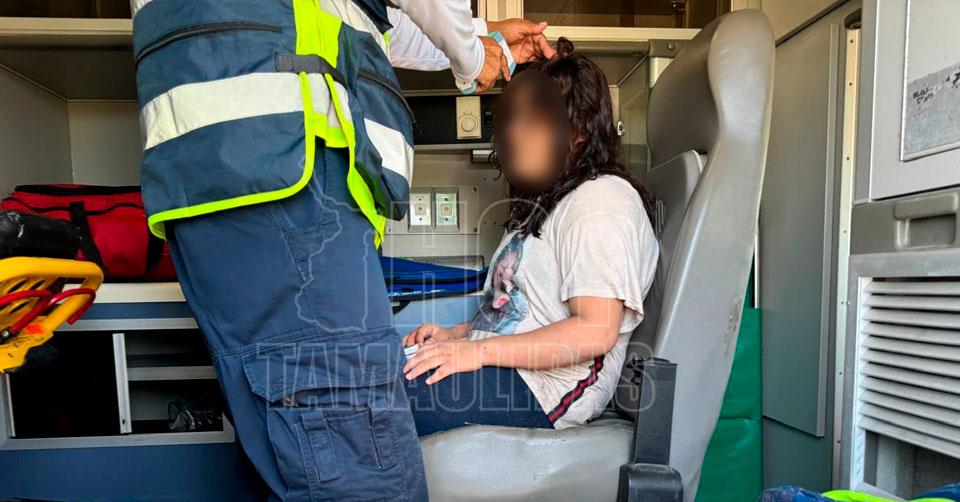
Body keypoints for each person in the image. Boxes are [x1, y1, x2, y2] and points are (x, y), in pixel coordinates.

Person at [130, 0, 553, 500]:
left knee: (293, 443)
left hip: (216, 175)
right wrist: (470, 51)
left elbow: (372, 23)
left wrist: (479, 31)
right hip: (288, 164)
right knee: (358, 459)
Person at [401, 39, 660, 435]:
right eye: (513, 118)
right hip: (509, 371)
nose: (514, 132)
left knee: (373, 403)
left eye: (534, 119)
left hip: (546, 390)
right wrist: (456, 335)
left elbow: (595, 330)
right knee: (365, 380)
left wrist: (476, 351)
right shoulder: (545, 205)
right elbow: (517, 314)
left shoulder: (601, 200)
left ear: (578, 130)